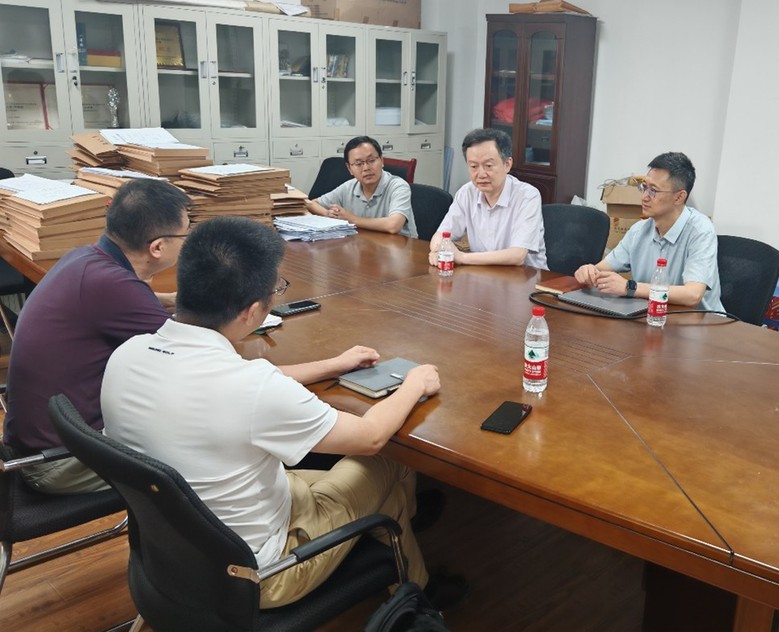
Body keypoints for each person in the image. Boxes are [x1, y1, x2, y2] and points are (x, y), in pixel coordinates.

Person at [100, 216, 466, 610]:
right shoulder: (252, 388)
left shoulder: (127, 354)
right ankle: (416, 600)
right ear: (251, 312)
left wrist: (333, 365)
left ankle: (404, 561)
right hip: (258, 575)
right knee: (391, 464)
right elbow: (371, 437)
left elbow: (245, 380)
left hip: (172, 551)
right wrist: (414, 382)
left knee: (378, 495)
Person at [2, 178, 191, 494]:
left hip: (38, 441)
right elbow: (192, 354)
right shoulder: (112, 286)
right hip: (57, 462)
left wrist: (165, 299)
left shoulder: (85, 258)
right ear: (158, 247)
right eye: (186, 234)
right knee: (206, 447)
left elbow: (118, 299)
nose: (188, 240)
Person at [574, 152, 724, 311]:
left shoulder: (700, 230)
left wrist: (630, 287)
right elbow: (600, 269)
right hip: (650, 316)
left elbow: (693, 295)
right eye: (644, 187)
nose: (644, 197)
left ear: (679, 197)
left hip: (699, 321)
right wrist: (588, 272)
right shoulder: (639, 230)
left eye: (653, 190)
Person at [428, 128, 547, 268]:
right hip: (483, 273)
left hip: (527, 277)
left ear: (507, 164)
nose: (481, 174)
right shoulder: (467, 193)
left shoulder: (527, 196)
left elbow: (517, 255)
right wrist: (437, 251)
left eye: (488, 166)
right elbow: (441, 235)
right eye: (473, 166)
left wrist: (462, 257)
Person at [306, 136, 418, 238]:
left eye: (371, 160)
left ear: (381, 160)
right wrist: (329, 214)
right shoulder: (349, 187)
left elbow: (393, 225)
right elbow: (311, 204)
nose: (366, 168)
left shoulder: (398, 186)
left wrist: (351, 219)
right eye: (358, 164)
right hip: (368, 244)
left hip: (402, 249)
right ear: (349, 168)